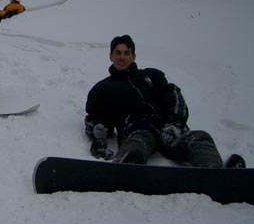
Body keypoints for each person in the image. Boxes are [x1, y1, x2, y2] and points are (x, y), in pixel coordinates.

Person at [84, 34, 245, 168]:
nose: (122, 57)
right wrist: (99, 140)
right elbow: (96, 119)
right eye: (118, 53)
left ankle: (215, 172)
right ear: (111, 56)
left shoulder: (151, 76)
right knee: (138, 141)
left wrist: (175, 123)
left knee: (200, 138)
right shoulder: (103, 89)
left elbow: (173, 96)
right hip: (137, 128)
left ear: (133, 56)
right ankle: (127, 165)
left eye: (127, 53)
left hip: (168, 129)